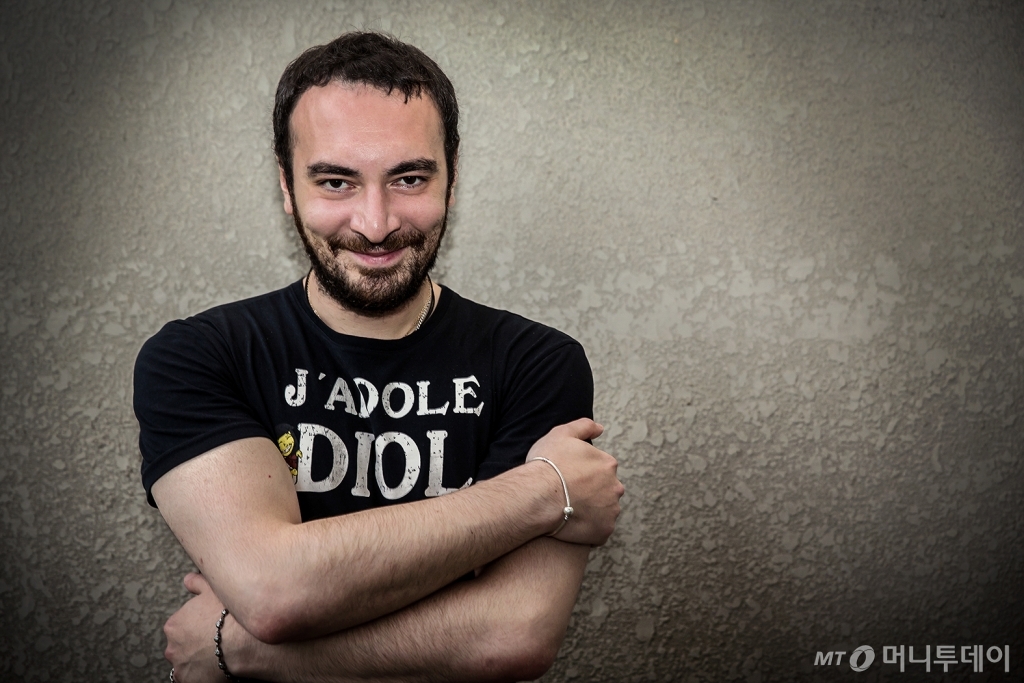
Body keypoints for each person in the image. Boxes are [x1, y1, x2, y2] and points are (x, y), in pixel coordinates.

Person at [134, 31, 624, 683]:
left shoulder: (535, 363)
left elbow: (513, 635)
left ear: (452, 177)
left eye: (409, 178)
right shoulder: (199, 356)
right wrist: (543, 491)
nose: (375, 223)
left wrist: (241, 646)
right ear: (286, 185)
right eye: (336, 181)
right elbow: (276, 591)